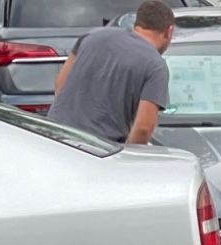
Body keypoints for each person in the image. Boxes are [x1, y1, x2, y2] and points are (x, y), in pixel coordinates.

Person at [48, 0, 174, 145]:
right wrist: (125, 155)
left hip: (55, 137)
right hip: (98, 148)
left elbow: (60, 83)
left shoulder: (92, 36)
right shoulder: (155, 65)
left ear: (136, 24)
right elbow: (143, 128)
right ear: (169, 31)